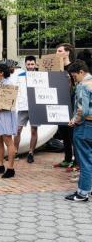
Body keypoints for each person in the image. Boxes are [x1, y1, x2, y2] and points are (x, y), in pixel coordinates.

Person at [65, 60, 92, 201]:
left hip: (84, 126)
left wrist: (74, 120)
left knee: (85, 160)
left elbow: (82, 109)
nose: (74, 79)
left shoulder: (83, 86)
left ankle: (82, 193)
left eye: (74, 76)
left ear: (81, 72)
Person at [0, 63, 18, 178]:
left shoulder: (9, 83)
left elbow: (10, 101)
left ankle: (10, 168)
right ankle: (0, 165)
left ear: (1, 72)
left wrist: (0, 106)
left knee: (8, 140)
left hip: (5, 115)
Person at [54, 43, 76, 168]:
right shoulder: (55, 68)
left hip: (72, 103)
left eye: (60, 51)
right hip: (59, 103)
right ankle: (67, 159)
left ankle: (77, 161)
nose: (57, 53)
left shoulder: (73, 67)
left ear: (67, 52)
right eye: (56, 51)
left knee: (72, 133)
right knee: (63, 133)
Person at [14, 56, 39, 163]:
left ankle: (31, 153)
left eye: (32, 64)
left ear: (35, 64)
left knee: (34, 130)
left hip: (35, 107)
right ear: (25, 65)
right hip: (23, 107)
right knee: (17, 129)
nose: (30, 66)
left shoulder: (40, 76)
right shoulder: (20, 76)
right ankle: (14, 152)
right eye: (28, 64)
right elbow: (16, 91)